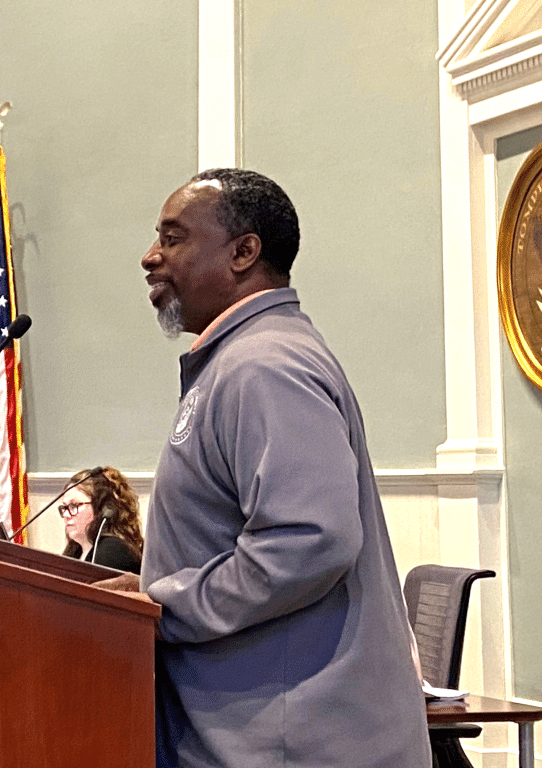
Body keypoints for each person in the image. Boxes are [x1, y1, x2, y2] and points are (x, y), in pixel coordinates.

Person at [102, 168, 432, 767]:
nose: (150, 257)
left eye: (172, 239)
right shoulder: (244, 358)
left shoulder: (263, 364)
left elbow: (309, 541)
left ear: (243, 252)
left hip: (293, 746)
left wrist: (163, 606)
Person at [59, 466, 142, 574]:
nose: (66, 514)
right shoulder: (74, 548)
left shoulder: (114, 550)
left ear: (103, 509)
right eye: (65, 507)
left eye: (74, 505)